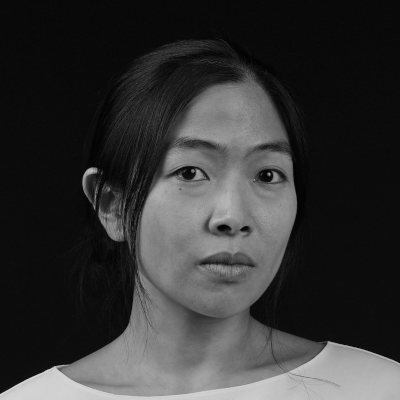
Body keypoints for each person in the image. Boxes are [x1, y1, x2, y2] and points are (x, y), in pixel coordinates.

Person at [2, 38, 399, 399]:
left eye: (267, 175)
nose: (233, 217)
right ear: (112, 205)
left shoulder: (378, 388)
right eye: (190, 172)